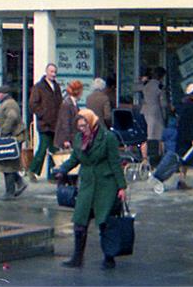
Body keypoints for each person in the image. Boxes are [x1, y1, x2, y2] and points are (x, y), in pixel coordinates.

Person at [54, 109, 127, 270]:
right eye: (79, 126)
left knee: (104, 222)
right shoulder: (79, 138)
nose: (81, 129)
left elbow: (115, 163)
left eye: (84, 125)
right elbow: (75, 158)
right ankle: (77, 258)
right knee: (80, 221)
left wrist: (122, 187)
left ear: (92, 122)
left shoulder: (108, 138)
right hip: (87, 185)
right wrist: (62, 170)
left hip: (105, 185)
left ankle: (109, 258)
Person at [28, 63, 63, 182]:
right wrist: (43, 114)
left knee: (55, 150)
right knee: (43, 148)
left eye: (55, 72)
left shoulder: (56, 87)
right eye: (51, 72)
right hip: (45, 124)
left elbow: (60, 103)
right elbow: (33, 104)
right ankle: (32, 170)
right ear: (47, 72)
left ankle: (53, 175)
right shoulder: (39, 87)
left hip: (55, 124)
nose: (53, 74)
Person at [0, 85, 28, 201]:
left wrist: (4, 132)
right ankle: (20, 183)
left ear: (3, 94)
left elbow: (12, 117)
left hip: (12, 137)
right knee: (9, 163)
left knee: (7, 164)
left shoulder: (9, 104)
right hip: (13, 137)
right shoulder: (9, 103)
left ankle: (9, 192)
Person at [176, 83, 193, 190]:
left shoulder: (185, 105)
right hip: (192, 138)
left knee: (184, 161)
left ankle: (182, 180)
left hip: (183, 138)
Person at [141, 67, 168, 162]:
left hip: (145, 110)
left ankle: (145, 156)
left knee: (149, 134)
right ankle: (157, 156)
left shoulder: (146, 85)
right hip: (156, 112)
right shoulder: (159, 86)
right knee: (158, 135)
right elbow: (163, 103)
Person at [54, 80, 84, 149]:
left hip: (72, 138)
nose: (82, 94)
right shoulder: (67, 104)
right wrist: (66, 139)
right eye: (81, 91)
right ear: (78, 92)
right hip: (66, 140)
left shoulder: (74, 104)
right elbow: (65, 123)